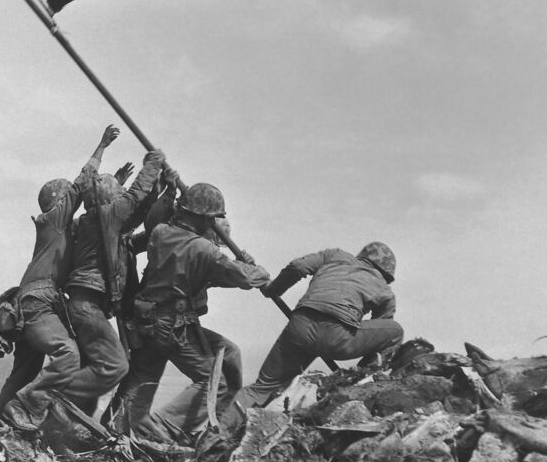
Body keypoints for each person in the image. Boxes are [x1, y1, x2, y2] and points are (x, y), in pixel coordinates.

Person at [114, 183, 270, 441]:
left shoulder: (161, 233)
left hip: (146, 320)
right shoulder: (204, 249)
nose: (213, 224)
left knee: (143, 380)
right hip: (172, 325)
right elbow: (244, 278)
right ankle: (164, 427)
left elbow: (196, 271)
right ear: (203, 217)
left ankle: (117, 428)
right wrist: (256, 269)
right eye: (211, 219)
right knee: (215, 382)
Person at [0, 125, 120, 430]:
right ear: (58, 201)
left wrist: (116, 186)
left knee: (23, 372)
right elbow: (82, 183)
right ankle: (27, 409)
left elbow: (96, 209)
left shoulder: (59, 230)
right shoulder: (54, 220)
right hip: (38, 302)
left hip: (30, 303)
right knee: (68, 354)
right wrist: (101, 146)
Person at [59, 148, 171, 415]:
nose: (122, 196)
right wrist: (152, 164)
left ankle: (70, 422)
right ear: (109, 198)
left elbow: (140, 211)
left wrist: (164, 190)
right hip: (88, 304)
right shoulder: (105, 216)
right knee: (115, 366)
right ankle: (46, 396)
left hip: (88, 303)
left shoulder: (103, 225)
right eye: (117, 192)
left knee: (94, 369)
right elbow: (134, 199)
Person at [235, 242, 404, 409]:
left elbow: (298, 266)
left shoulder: (335, 255)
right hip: (338, 337)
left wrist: (273, 289)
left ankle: (219, 430)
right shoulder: (385, 290)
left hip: (300, 327)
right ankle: (361, 381)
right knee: (395, 331)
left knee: (261, 389)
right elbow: (380, 331)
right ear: (386, 273)